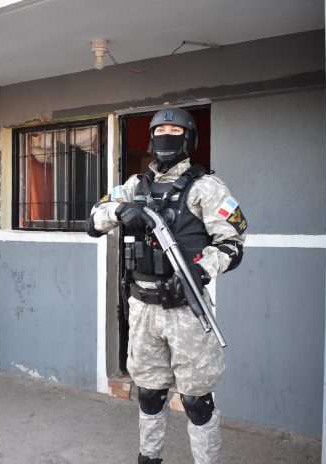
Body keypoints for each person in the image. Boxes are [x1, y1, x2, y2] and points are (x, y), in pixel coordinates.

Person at [86, 107, 247, 464]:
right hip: (142, 308)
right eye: (161, 130)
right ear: (151, 137)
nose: (167, 136)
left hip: (186, 309)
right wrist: (119, 211)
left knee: (196, 399)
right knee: (148, 392)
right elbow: (93, 220)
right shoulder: (133, 185)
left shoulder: (207, 187)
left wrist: (198, 271)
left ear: (188, 138)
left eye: (175, 130)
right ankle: (149, 457)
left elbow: (232, 245)